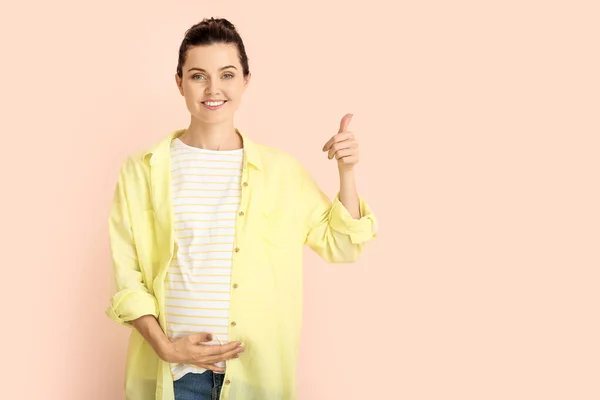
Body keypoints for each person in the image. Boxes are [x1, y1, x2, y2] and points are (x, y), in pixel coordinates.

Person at [106, 17, 378, 400]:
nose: (213, 89)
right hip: (174, 378)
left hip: (257, 379)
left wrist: (346, 172)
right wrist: (166, 347)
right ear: (179, 81)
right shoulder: (141, 170)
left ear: (245, 81)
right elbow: (127, 275)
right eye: (198, 75)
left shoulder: (281, 172)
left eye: (227, 74)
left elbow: (343, 246)